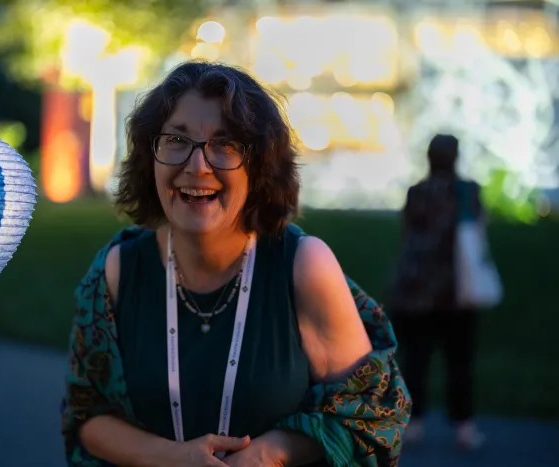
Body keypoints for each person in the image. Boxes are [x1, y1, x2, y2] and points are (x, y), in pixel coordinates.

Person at [61, 60, 410, 466]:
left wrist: (274, 451)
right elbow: (86, 414)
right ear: (149, 154)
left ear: (259, 166)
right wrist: (175, 458)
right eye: (177, 139)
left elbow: (374, 415)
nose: (197, 167)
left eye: (225, 144)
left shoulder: (302, 266)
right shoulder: (117, 273)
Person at [387, 134, 486, 450]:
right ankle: (464, 428)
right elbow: (479, 233)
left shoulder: (417, 193)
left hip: (416, 291)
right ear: (456, 157)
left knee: (416, 358)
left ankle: (414, 425)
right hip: (458, 291)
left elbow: (406, 235)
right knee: (460, 361)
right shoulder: (468, 192)